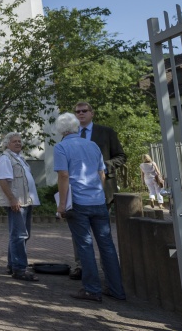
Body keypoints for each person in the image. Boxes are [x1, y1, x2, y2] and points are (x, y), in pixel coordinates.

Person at [55, 112, 126, 303]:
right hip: (98, 200)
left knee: (85, 246)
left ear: (60, 130)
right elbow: (101, 173)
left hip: (77, 203)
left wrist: (62, 205)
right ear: (77, 127)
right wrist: (99, 194)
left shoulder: (61, 147)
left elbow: (63, 176)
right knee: (107, 246)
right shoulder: (93, 145)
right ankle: (116, 289)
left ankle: (92, 289)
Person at [71, 101, 126, 280]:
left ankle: (108, 270)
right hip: (78, 191)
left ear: (92, 113)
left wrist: (104, 166)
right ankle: (81, 266)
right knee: (79, 234)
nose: (81, 114)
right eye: (77, 112)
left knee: (103, 234)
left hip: (101, 191)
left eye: (84, 111)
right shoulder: (71, 135)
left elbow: (121, 156)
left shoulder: (106, 132)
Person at [0, 132, 40, 281]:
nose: (18, 143)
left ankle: (13, 264)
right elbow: (2, 181)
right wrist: (12, 199)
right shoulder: (5, 159)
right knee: (19, 235)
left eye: (20, 141)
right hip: (17, 202)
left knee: (22, 234)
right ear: (7, 144)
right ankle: (20, 269)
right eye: (14, 141)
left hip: (25, 201)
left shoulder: (19, 159)